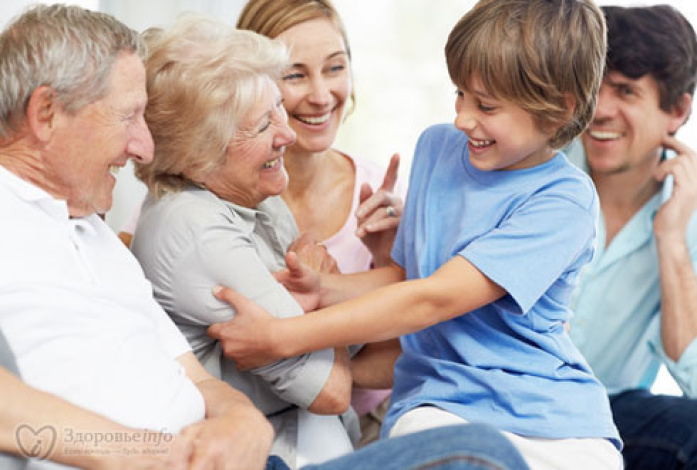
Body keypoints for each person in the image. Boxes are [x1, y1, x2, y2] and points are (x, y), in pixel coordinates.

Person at [207, 0, 624, 468]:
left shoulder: (564, 201)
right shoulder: (437, 149)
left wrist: (283, 337)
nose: (463, 118)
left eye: (486, 105)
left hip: (556, 424)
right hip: (443, 405)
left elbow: (433, 298)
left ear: (558, 109)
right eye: (460, 94)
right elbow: (409, 277)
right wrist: (324, 288)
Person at [0, 4, 275, 470]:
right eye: (129, 116)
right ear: (46, 113)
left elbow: (195, 379)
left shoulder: (97, 236)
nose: (145, 148)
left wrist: (243, 420)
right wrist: (153, 454)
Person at [130, 16, 357, 469]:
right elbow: (331, 390)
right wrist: (320, 303)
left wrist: (312, 313)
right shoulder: (196, 230)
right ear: (199, 154)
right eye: (262, 126)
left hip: (304, 431)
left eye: (278, 108)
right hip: (258, 449)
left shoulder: (253, 188)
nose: (287, 135)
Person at [235, 0, 403, 444]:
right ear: (249, 83)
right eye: (295, 75)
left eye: (335, 68)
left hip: (365, 425)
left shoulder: (382, 197)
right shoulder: (209, 194)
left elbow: (409, 352)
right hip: (246, 425)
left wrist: (393, 262)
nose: (321, 95)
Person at [562, 5, 697, 469]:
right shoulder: (539, 167)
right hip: (504, 392)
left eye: (625, 91)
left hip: (605, 413)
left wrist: (671, 239)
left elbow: (694, 378)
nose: (599, 111)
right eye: (592, 87)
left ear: (677, 110)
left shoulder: (689, 215)